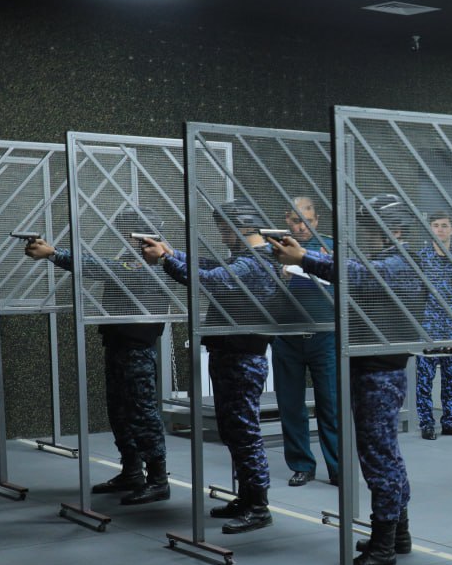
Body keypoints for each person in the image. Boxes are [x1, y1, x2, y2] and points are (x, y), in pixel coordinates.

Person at [268, 193, 416, 565]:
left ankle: (384, 546)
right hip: (374, 368)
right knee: (385, 455)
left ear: (393, 229)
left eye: (371, 226)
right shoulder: (388, 259)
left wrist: (303, 258)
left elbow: (355, 273)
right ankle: (396, 534)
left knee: (379, 459)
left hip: (380, 372)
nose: (365, 233)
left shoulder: (398, 262)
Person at [142, 200, 278, 534]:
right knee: (234, 431)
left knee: (244, 433)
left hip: (243, 357)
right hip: (231, 353)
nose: (222, 235)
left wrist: (166, 260)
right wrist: (172, 253)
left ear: (241, 227)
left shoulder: (256, 262)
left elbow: (208, 279)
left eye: (225, 228)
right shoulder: (247, 258)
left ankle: (258, 505)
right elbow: (208, 265)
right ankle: (247, 497)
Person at [24, 209, 171, 505]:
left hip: (137, 348)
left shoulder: (152, 261)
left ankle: (158, 480)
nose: (125, 235)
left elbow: (103, 268)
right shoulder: (134, 258)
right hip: (120, 343)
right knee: (120, 411)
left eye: (129, 229)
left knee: (142, 413)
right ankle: (132, 471)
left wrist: (54, 254)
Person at [272, 196, 341, 487]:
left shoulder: (329, 247)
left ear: (317, 221)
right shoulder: (275, 249)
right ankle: (301, 465)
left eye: (307, 221)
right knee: (290, 405)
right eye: (296, 221)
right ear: (286, 220)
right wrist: (279, 275)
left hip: (325, 336)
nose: (301, 227)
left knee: (331, 405)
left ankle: (338, 467)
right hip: (287, 336)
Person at [415, 212, 452, 440]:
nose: (440, 229)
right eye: (436, 225)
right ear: (430, 229)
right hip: (427, 326)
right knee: (425, 379)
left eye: (444, 226)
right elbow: (415, 291)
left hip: (451, 326)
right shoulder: (420, 258)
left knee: (451, 377)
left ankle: (450, 421)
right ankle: (426, 424)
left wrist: (449, 307)